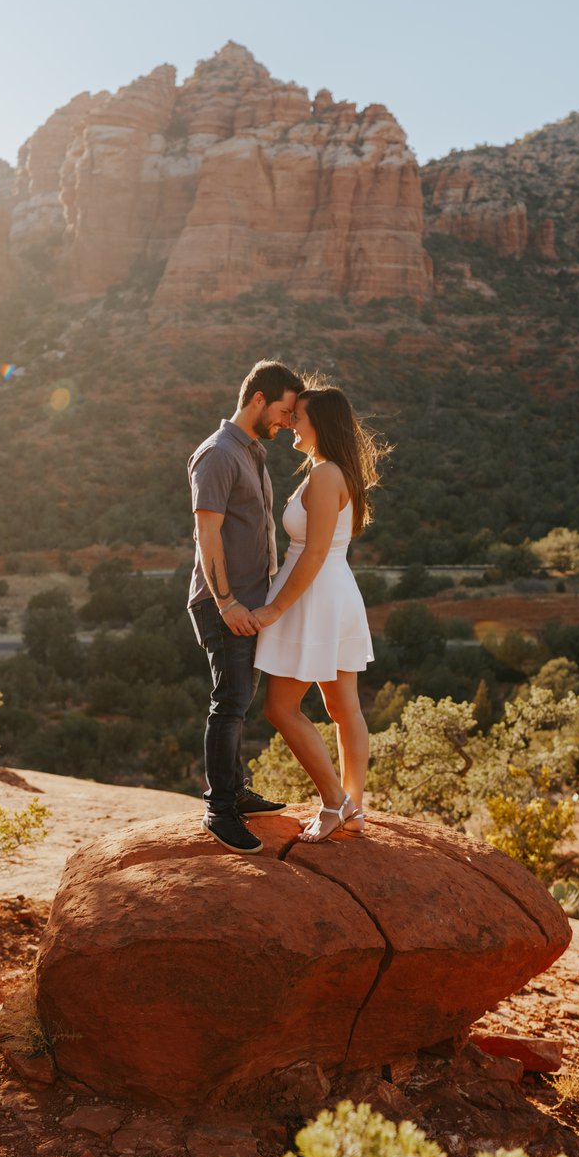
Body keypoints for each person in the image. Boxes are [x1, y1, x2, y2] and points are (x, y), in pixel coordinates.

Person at [252, 387, 385, 842]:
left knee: (280, 708)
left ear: (321, 425)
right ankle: (354, 808)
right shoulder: (332, 470)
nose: (292, 423)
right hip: (333, 593)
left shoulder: (326, 474)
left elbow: (314, 553)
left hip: (315, 597)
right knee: (343, 707)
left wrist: (274, 608)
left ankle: (336, 802)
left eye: (299, 417)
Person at [188, 359, 305, 855]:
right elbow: (207, 533)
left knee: (239, 701)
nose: (287, 421)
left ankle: (235, 790)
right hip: (225, 603)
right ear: (258, 399)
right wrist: (227, 602)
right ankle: (220, 809)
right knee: (229, 703)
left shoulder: (251, 451)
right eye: (284, 411)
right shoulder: (218, 453)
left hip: (251, 603)